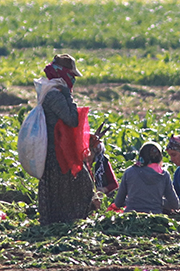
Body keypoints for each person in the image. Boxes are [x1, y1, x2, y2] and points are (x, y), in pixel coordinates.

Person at [36, 54, 95, 225]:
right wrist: (69, 97)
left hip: (58, 148)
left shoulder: (52, 90)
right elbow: (72, 119)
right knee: (82, 184)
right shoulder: (55, 94)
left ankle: (63, 220)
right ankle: (65, 220)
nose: (73, 80)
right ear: (62, 74)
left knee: (63, 188)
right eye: (72, 76)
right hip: (56, 151)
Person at [115, 142, 180, 214]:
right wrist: (157, 202)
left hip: (131, 216)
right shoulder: (164, 175)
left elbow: (118, 202)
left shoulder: (129, 172)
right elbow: (175, 204)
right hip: (155, 217)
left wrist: (132, 201)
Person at [87, 123, 119, 198]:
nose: (88, 154)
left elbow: (114, 184)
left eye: (90, 151)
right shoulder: (79, 163)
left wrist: (103, 190)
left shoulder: (103, 162)